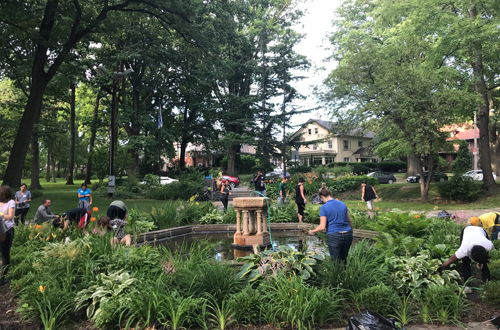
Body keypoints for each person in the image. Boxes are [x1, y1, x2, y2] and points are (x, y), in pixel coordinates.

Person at [308, 183, 354, 263]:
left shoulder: (324, 207)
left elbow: (322, 226)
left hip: (334, 236)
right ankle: (345, 274)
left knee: (335, 261)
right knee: (344, 260)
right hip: (347, 234)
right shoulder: (342, 204)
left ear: (322, 197)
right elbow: (349, 220)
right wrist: (351, 232)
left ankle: (336, 275)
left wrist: (312, 231)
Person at [0, 186, 15, 286]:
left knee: (5, 253)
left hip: (7, 230)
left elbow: (10, 217)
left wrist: (0, 214)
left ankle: (3, 277)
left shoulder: (11, 202)